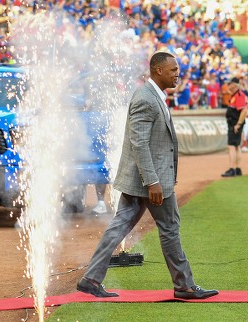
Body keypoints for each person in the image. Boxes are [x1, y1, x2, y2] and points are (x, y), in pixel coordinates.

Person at [77, 52, 219, 300]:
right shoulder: (146, 98)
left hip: (141, 179)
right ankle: (184, 286)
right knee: (170, 227)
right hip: (151, 181)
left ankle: (90, 279)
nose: (178, 74)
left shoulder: (153, 96)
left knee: (119, 226)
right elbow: (139, 143)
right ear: (157, 70)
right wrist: (153, 181)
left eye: (177, 69)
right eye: (173, 69)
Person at [222, 77, 248, 177]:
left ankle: (232, 169)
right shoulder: (234, 94)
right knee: (236, 147)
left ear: (235, 84)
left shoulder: (239, 95)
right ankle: (237, 169)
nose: (229, 85)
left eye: (231, 84)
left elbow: (244, 110)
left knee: (231, 147)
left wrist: (238, 124)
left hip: (235, 124)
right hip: (233, 124)